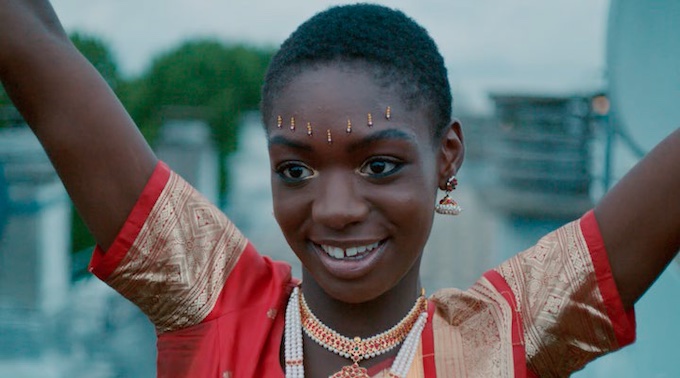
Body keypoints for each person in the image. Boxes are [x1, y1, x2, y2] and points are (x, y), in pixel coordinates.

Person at [1, 1, 678, 377]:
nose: (335, 210)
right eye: (294, 170)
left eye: (379, 164)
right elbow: (29, 40)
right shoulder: (211, 299)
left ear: (447, 158)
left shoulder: (501, 341)